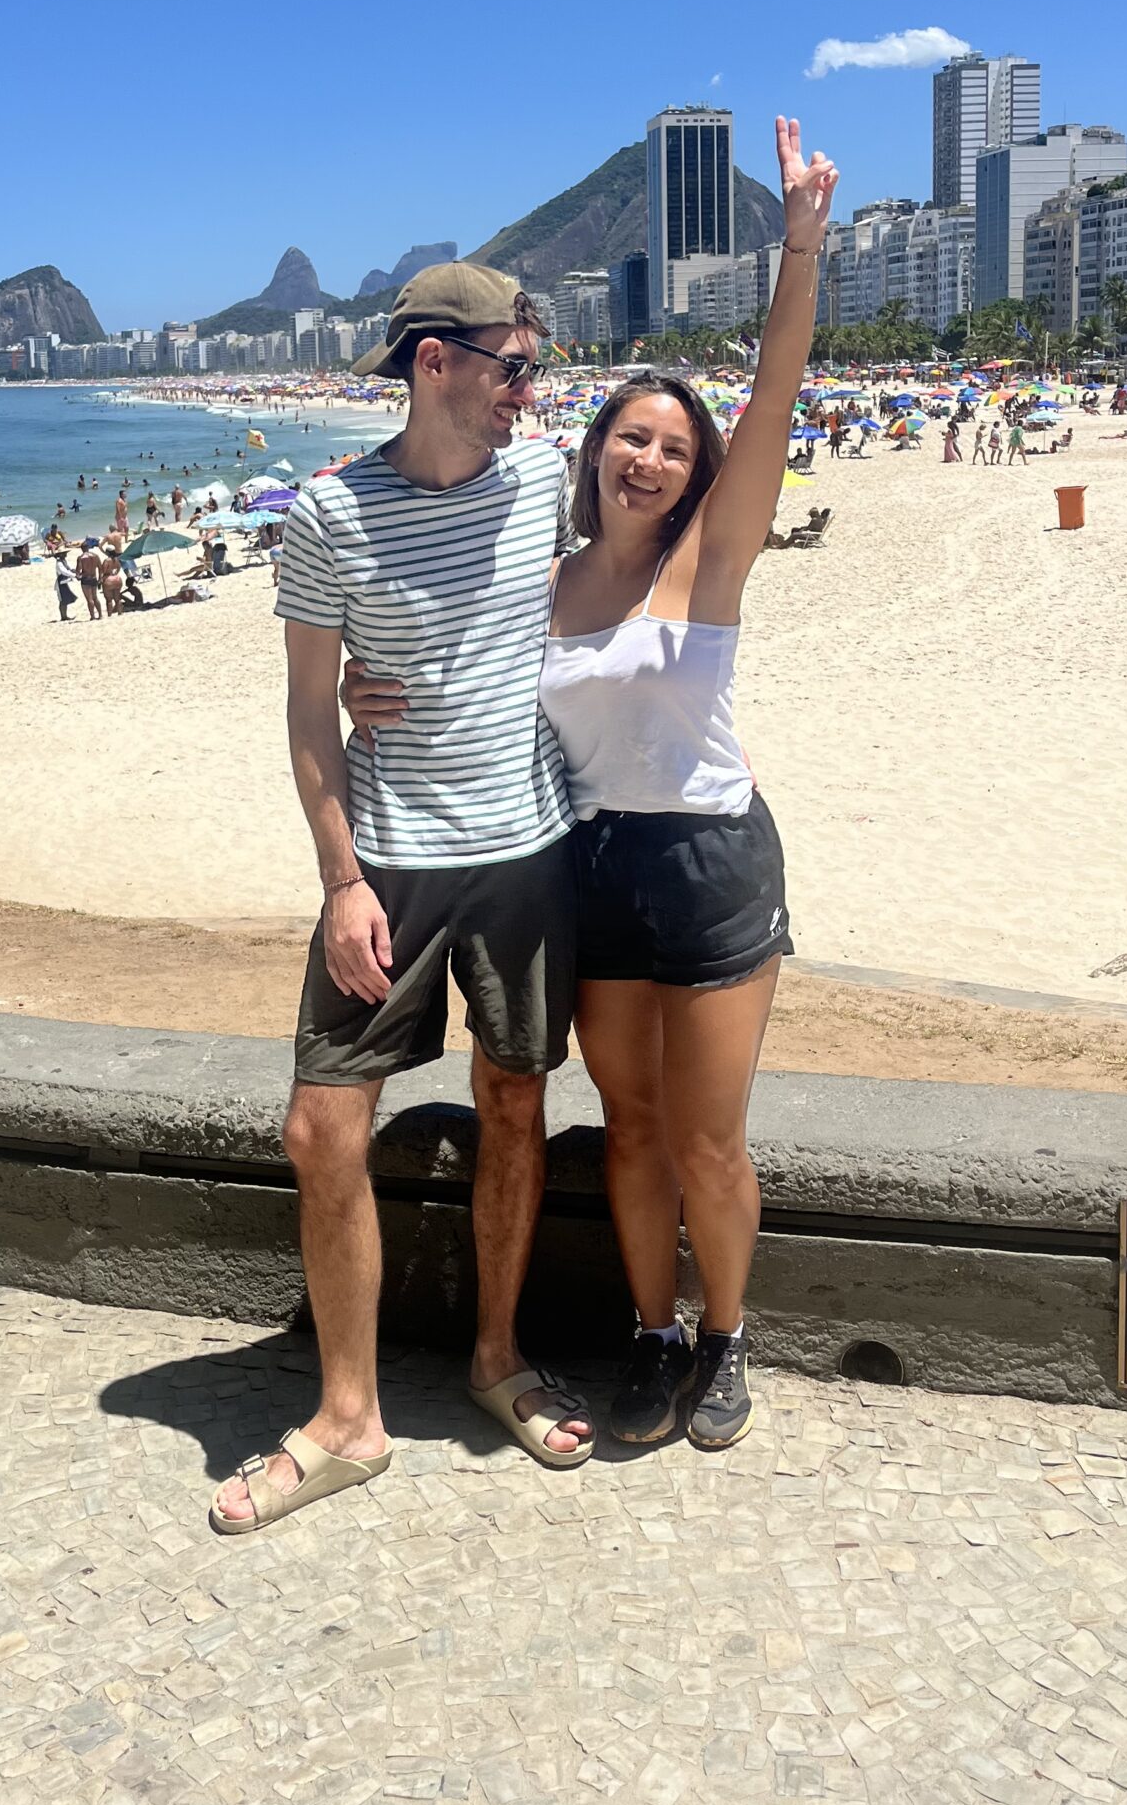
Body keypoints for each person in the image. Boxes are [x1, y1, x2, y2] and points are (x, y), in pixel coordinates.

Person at [341, 120, 838, 1457]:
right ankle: (652, 1332)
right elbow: (452, 656)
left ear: (696, 470)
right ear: (597, 450)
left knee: (709, 1141)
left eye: (674, 446)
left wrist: (800, 245)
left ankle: (724, 1339)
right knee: (628, 1128)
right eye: (631, 437)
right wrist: (360, 691)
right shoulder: (546, 582)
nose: (650, 460)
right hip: (594, 865)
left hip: (712, 862)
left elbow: (775, 395)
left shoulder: (711, 560)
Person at [209, 261, 592, 1536]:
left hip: (530, 851)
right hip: (389, 862)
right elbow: (306, 712)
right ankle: (348, 1418)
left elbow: (648, 550)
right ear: (435, 362)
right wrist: (340, 881)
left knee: (515, 1100)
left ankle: (496, 1358)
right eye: (513, 366)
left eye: (533, 368)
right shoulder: (330, 512)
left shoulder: (545, 481)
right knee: (320, 1126)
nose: (529, 391)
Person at [76, 538, 103, 620]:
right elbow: (100, 568)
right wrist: (100, 578)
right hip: (94, 578)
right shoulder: (95, 556)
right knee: (95, 598)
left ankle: (92, 616)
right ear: (88, 547)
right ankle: (100, 615)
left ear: (82, 549)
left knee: (89, 599)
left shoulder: (81, 558)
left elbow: (78, 570)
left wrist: (78, 576)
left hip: (86, 579)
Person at [54, 554, 79, 622]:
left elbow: (68, 569)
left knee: (65, 599)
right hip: (61, 582)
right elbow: (64, 572)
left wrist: (73, 570)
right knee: (62, 599)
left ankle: (64, 616)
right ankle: (63, 616)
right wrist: (74, 576)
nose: (65, 554)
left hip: (64, 582)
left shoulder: (63, 561)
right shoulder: (59, 563)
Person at [99, 547, 124, 615]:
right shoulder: (116, 559)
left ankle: (110, 614)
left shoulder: (107, 560)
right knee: (117, 598)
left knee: (109, 599)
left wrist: (100, 580)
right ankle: (120, 612)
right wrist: (115, 573)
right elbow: (119, 567)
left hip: (108, 580)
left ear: (107, 553)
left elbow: (103, 571)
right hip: (117, 579)